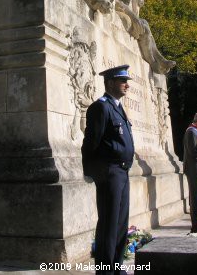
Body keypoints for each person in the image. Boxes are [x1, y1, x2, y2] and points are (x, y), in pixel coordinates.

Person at [81, 65, 134, 275]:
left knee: (121, 224)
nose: (127, 85)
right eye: (123, 81)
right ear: (110, 82)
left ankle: (116, 266)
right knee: (108, 225)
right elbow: (91, 142)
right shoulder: (100, 107)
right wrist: (91, 171)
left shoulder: (118, 107)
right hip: (109, 172)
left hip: (123, 172)